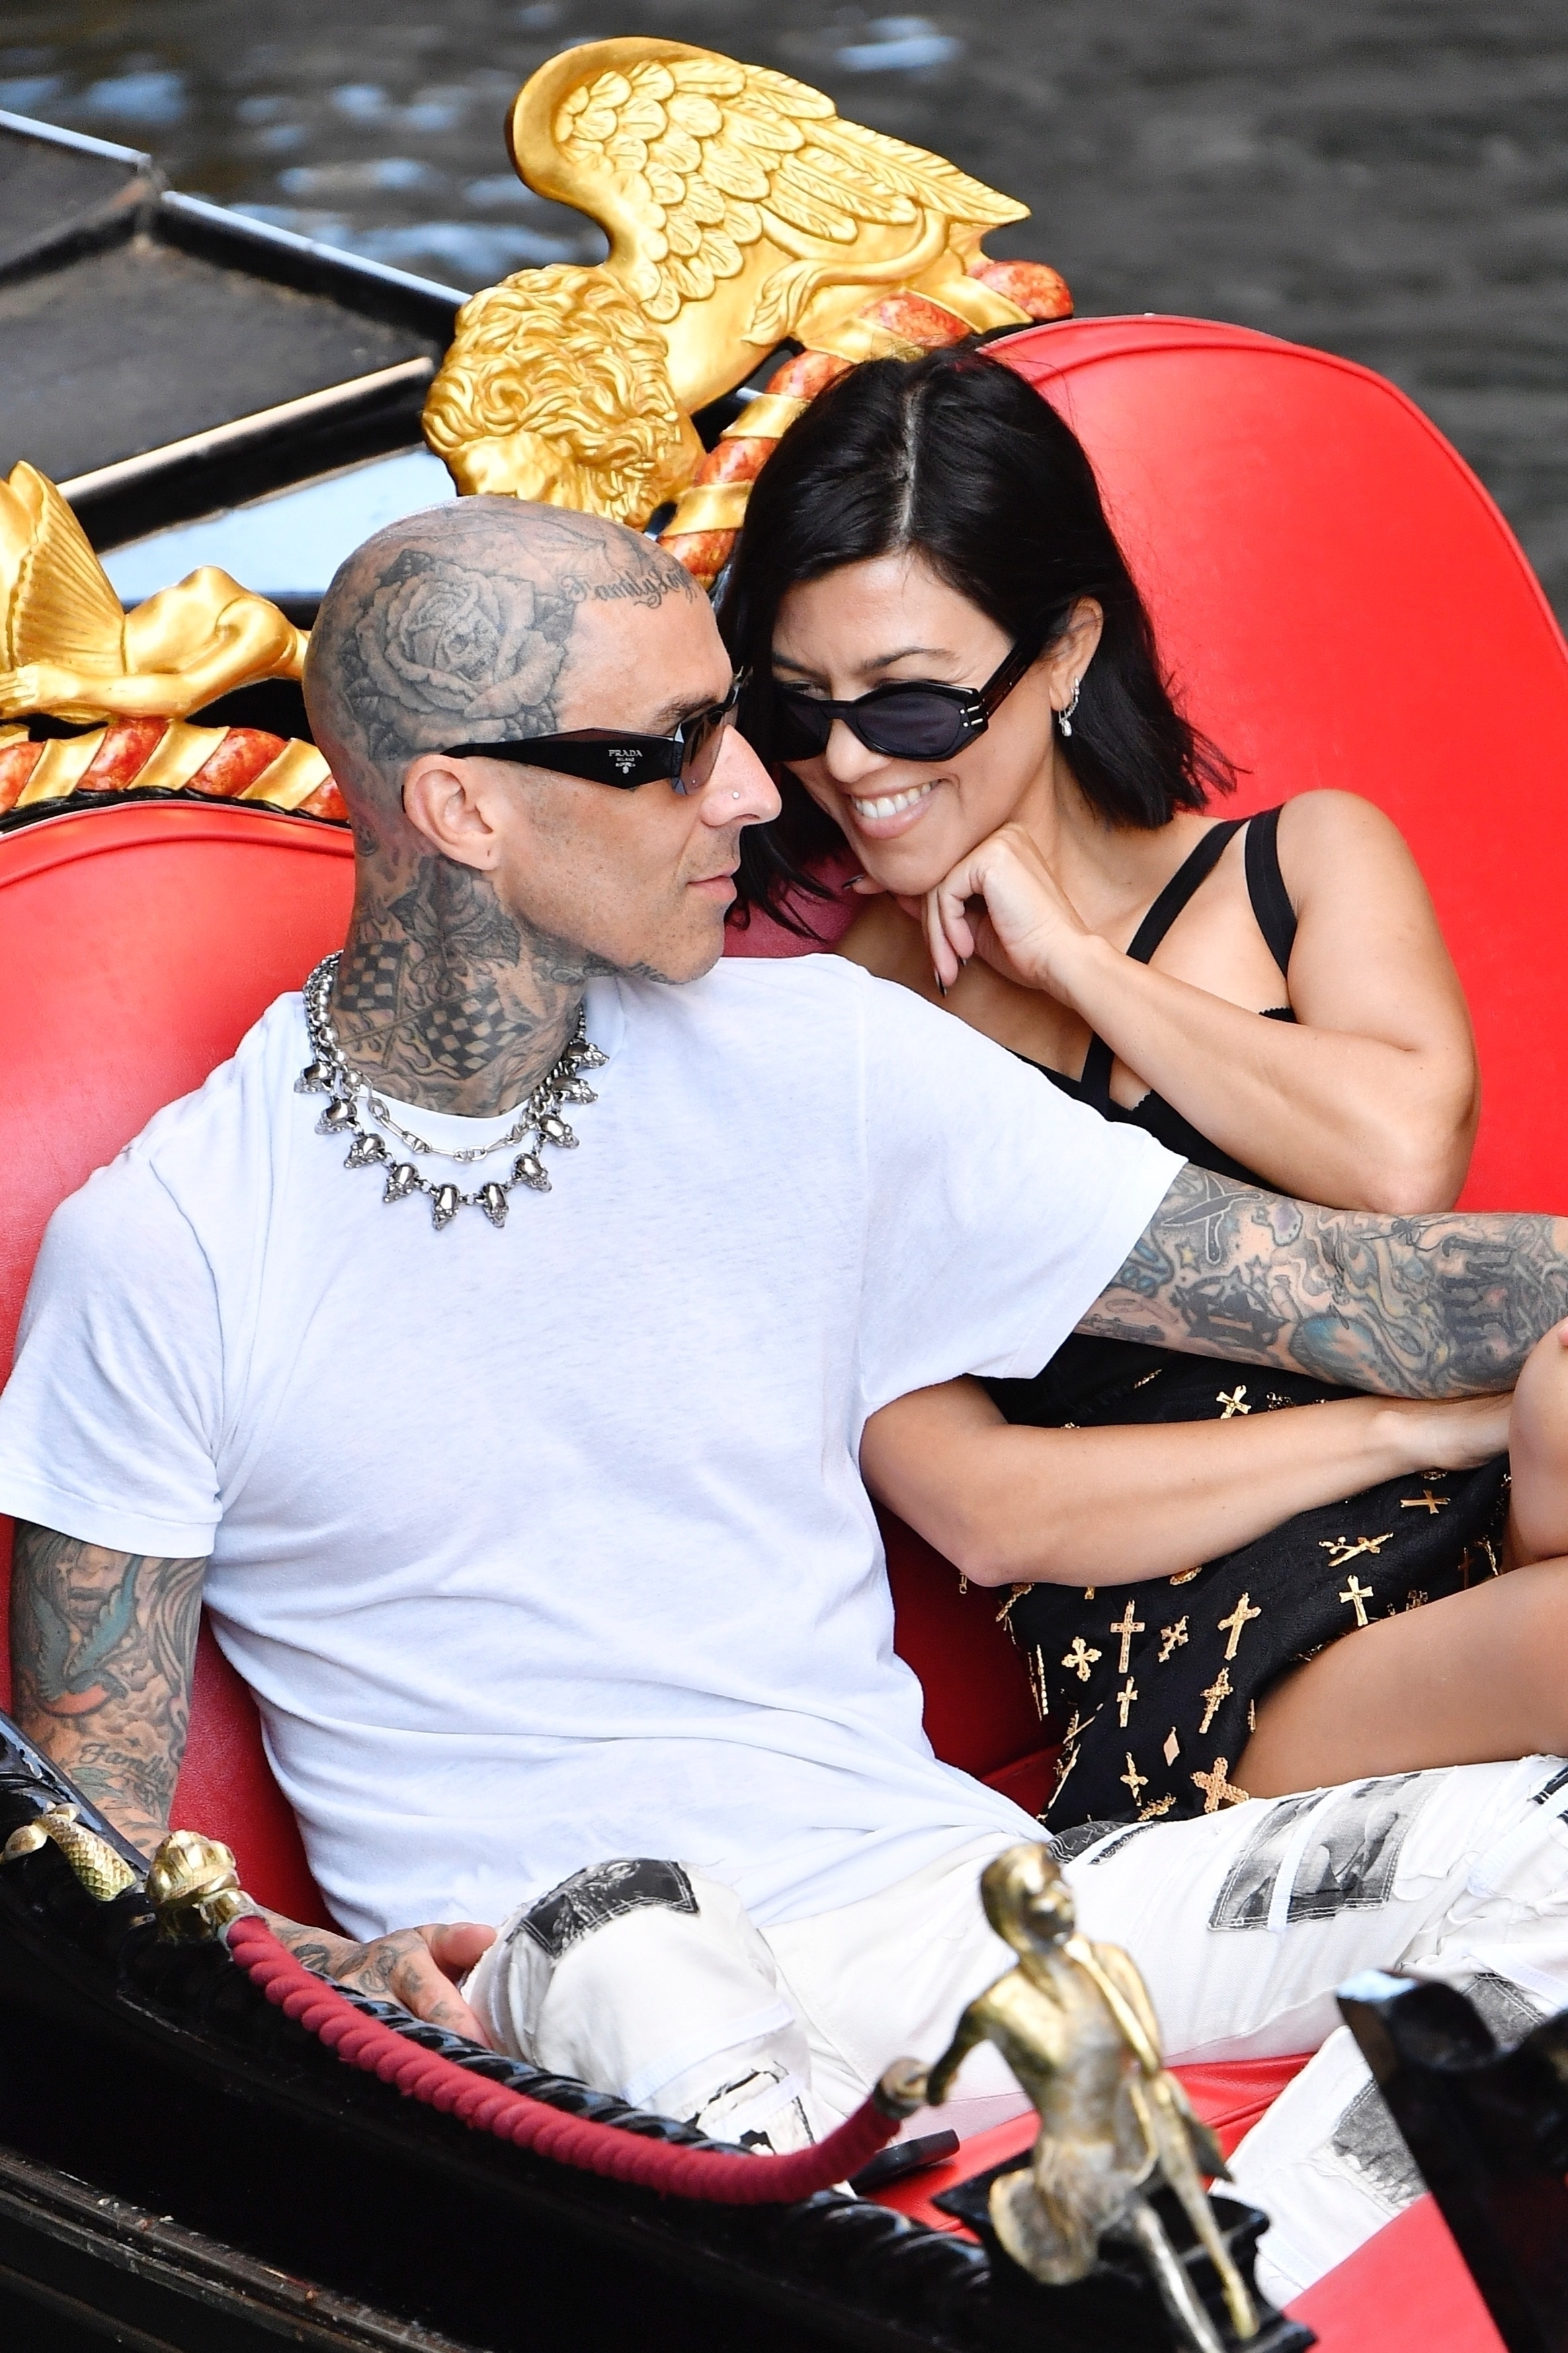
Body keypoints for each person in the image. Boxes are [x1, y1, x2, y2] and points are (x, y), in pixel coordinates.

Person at [5, 497, 1568, 2302]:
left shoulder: (821, 1061)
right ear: (461, 807)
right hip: (576, 1973)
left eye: (727, 718)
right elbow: (97, 1858)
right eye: (666, 754)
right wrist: (337, 1971)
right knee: (624, 1922)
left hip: (957, 1908)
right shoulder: (178, 1248)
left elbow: (1354, 1292)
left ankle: (1226, 2294)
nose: (754, 791)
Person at [723, 338, 1552, 1826]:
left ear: (1063, 654)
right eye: (798, 709)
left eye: (909, 704)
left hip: (1501, 1526)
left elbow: (1396, 1162)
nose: (848, 765)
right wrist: (1425, 1424)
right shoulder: (830, 1031)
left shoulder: (1303, 864)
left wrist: (1083, 967)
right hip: (1225, 1662)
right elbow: (980, 1507)